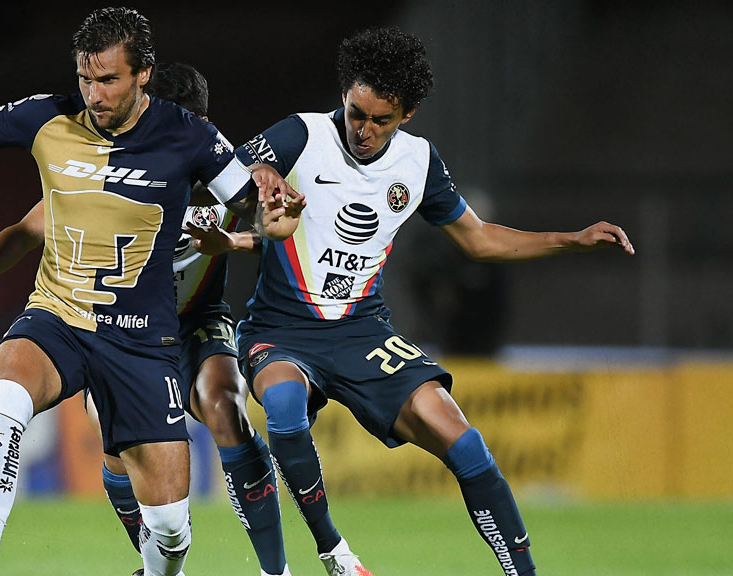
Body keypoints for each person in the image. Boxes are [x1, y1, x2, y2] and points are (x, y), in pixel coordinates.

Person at [188, 28, 635, 576]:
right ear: (345, 94)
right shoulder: (299, 134)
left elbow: (479, 238)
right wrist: (258, 177)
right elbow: (226, 178)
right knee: (281, 410)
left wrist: (571, 238)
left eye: (382, 120)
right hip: (281, 329)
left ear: (409, 113)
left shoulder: (419, 162)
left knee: (465, 443)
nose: (365, 130)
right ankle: (335, 552)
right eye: (357, 113)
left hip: (363, 332)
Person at [0, 8, 302, 576]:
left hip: (141, 342)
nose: (94, 94)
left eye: (107, 80)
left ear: (143, 75)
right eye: (86, 79)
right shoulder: (48, 118)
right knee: (6, 388)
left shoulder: (191, 137)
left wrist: (271, 226)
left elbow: (256, 210)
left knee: (172, 531)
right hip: (60, 316)